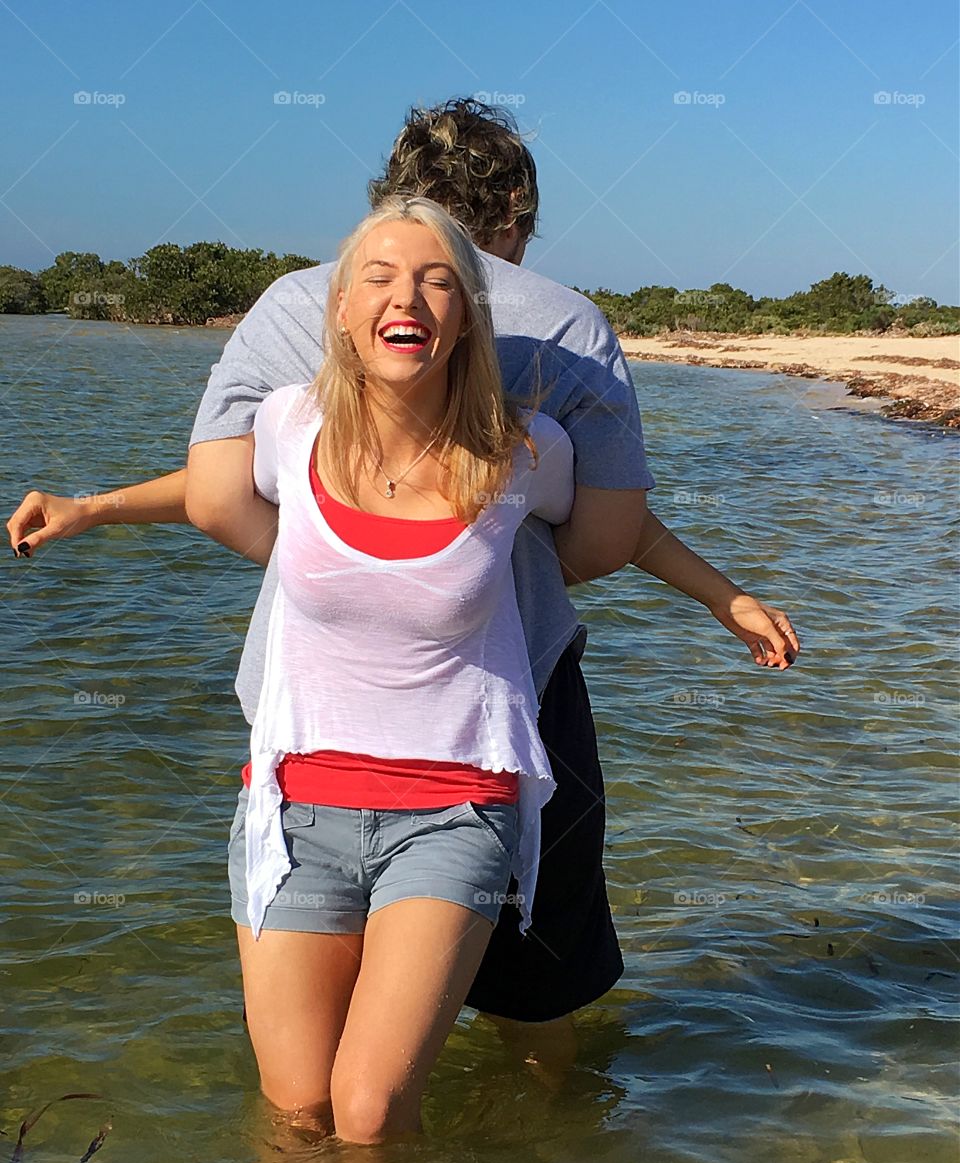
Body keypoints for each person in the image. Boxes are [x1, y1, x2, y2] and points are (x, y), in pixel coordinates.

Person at [7, 99, 798, 1048]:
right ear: (513, 208)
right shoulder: (571, 329)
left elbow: (225, 494)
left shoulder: (294, 303)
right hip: (504, 715)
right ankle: (542, 1162)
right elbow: (599, 537)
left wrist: (335, 555)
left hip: (313, 715)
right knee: (538, 995)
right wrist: (461, 569)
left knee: (316, 1054)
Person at [222, 192, 593, 1141]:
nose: (411, 297)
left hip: (455, 805)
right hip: (298, 802)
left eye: (438, 282)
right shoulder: (289, 424)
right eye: (381, 277)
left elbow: (618, 529)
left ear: (466, 315)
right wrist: (93, 508)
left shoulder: (521, 449)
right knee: (297, 1112)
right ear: (341, 308)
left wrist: (724, 595)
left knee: (370, 1110)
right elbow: (210, 492)